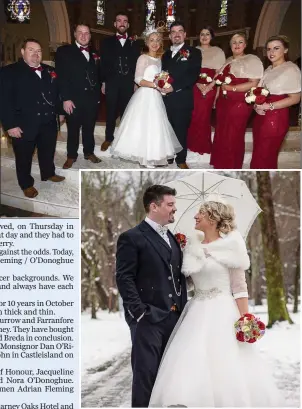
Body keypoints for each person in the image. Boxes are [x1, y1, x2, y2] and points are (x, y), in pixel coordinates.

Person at [149, 196, 285, 407]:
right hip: (196, 311)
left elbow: (240, 288)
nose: (195, 216)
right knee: (190, 361)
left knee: (226, 362)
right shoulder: (189, 247)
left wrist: (245, 319)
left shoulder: (231, 246)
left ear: (212, 218)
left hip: (223, 311)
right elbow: (187, 285)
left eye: (200, 213)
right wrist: (175, 261)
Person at [116, 185, 187, 407]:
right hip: (148, 319)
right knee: (145, 377)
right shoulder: (132, 237)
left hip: (175, 319)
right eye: (170, 204)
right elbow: (124, 278)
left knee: (170, 379)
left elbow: (175, 277)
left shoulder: (174, 239)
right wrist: (139, 312)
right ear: (153, 206)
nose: (174, 209)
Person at [0, 38, 65, 198]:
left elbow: (56, 94)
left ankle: (48, 173)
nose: (35, 54)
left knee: (48, 151)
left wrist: (60, 111)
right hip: (22, 124)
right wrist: (10, 125)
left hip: (48, 122)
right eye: (31, 50)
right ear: (22, 52)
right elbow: (3, 100)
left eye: (38, 51)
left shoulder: (50, 70)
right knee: (23, 157)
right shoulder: (9, 72)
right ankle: (26, 183)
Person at [111, 30, 182, 167]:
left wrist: (162, 86)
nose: (155, 43)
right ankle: (144, 157)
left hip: (156, 97)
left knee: (155, 127)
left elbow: (161, 78)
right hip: (144, 96)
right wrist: (155, 85)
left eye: (158, 40)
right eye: (152, 40)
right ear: (147, 42)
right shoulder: (142, 58)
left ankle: (152, 156)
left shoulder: (160, 60)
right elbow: (138, 79)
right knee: (143, 126)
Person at [211, 33, 263, 169]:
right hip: (224, 103)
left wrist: (232, 88)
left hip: (240, 103)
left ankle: (232, 165)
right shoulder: (228, 60)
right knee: (222, 133)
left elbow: (254, 83)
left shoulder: (252, 60)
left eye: (240, 42)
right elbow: (219, 82)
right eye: (234, 42)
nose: (237, 45)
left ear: (245, 45)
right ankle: (221, 164)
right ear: (230, 45)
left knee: (234, 135)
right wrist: (216, 98)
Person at [55, 22, 101, 169]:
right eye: (80, 32)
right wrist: (65, 99)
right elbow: (61, 77)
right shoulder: (64, 51)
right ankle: (71, 156)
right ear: (74, 34)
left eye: (86, 33)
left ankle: (89, 152)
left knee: (89, 128)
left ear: (90, 36)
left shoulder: (95, 53)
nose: (83, 35)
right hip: (73, 99)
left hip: (92, 99)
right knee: (73, 130)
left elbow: (98, 74)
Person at [251, 35, 301, 169]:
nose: (271, 52)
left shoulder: (291, 69)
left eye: (276, 48)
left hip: (275, 118)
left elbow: (295, 98)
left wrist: (270, 106)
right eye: (268, 49)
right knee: (259, 155)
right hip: (261, 117)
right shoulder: (268, 69)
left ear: (285, 50)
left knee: (265, 156)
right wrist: (256, 105)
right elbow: (259, 92)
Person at [161, 21, 201, 169]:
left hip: (181, 98)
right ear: (170, 36)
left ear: (184, 34)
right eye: (173, 32)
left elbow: (192, 75)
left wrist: (174, 87)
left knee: (180, 130)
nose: (176, 34)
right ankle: (169, 155)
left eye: (180, 31)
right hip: (165, 99)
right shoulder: (165, 54)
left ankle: (181, 159)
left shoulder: (194, 52)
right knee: (167, 129)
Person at [99, 12, 141, 151]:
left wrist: (136, 83)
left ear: (128, 25)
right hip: (112, 82)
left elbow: (137, 64)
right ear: (115, 24)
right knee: (110, 112)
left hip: (129, 83)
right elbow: (103, 63)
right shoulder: (106, 42)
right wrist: (104, 82)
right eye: (119, 20)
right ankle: (108, 138)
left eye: (125, 21)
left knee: (126, 112)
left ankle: (125, 139)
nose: (122, 23)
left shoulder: (135, 43)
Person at [187, 27, 225, 155]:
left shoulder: (218, 51)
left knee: (204, 116)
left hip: (211, 87)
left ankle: (202, 145)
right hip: (194, 86)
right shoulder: (192, 51)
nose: (204, 36)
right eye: (202, 34)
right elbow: (188, 71)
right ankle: (191, 144)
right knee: (193, 115)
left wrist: (210, 86)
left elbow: (220, 73)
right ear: (199, 36)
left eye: (207, 34)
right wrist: (197, 83)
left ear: (212, 36)